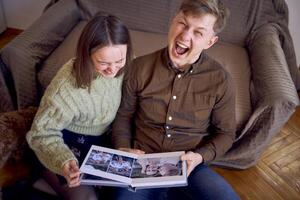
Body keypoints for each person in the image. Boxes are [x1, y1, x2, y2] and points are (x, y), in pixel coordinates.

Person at [112, 0, 240, 199]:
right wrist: (123, 149)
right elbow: (123, 117)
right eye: (183, 23)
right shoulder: (138, 68)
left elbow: (226, 133)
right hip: (140, 164)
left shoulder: (222, 81)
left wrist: (199, 157)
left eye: (198, 32)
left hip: (190, 168)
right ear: (173, 21)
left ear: (210, 42)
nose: (185, 36)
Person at [26, 12, 132, 200]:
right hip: (62, 144)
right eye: (103, 63)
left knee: (125, 190)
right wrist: (62, 161)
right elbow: (40, 133)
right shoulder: (66, 88)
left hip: (100, 142)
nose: (113, 69)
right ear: (86, 53)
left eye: (119, 61)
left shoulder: (125, 66)